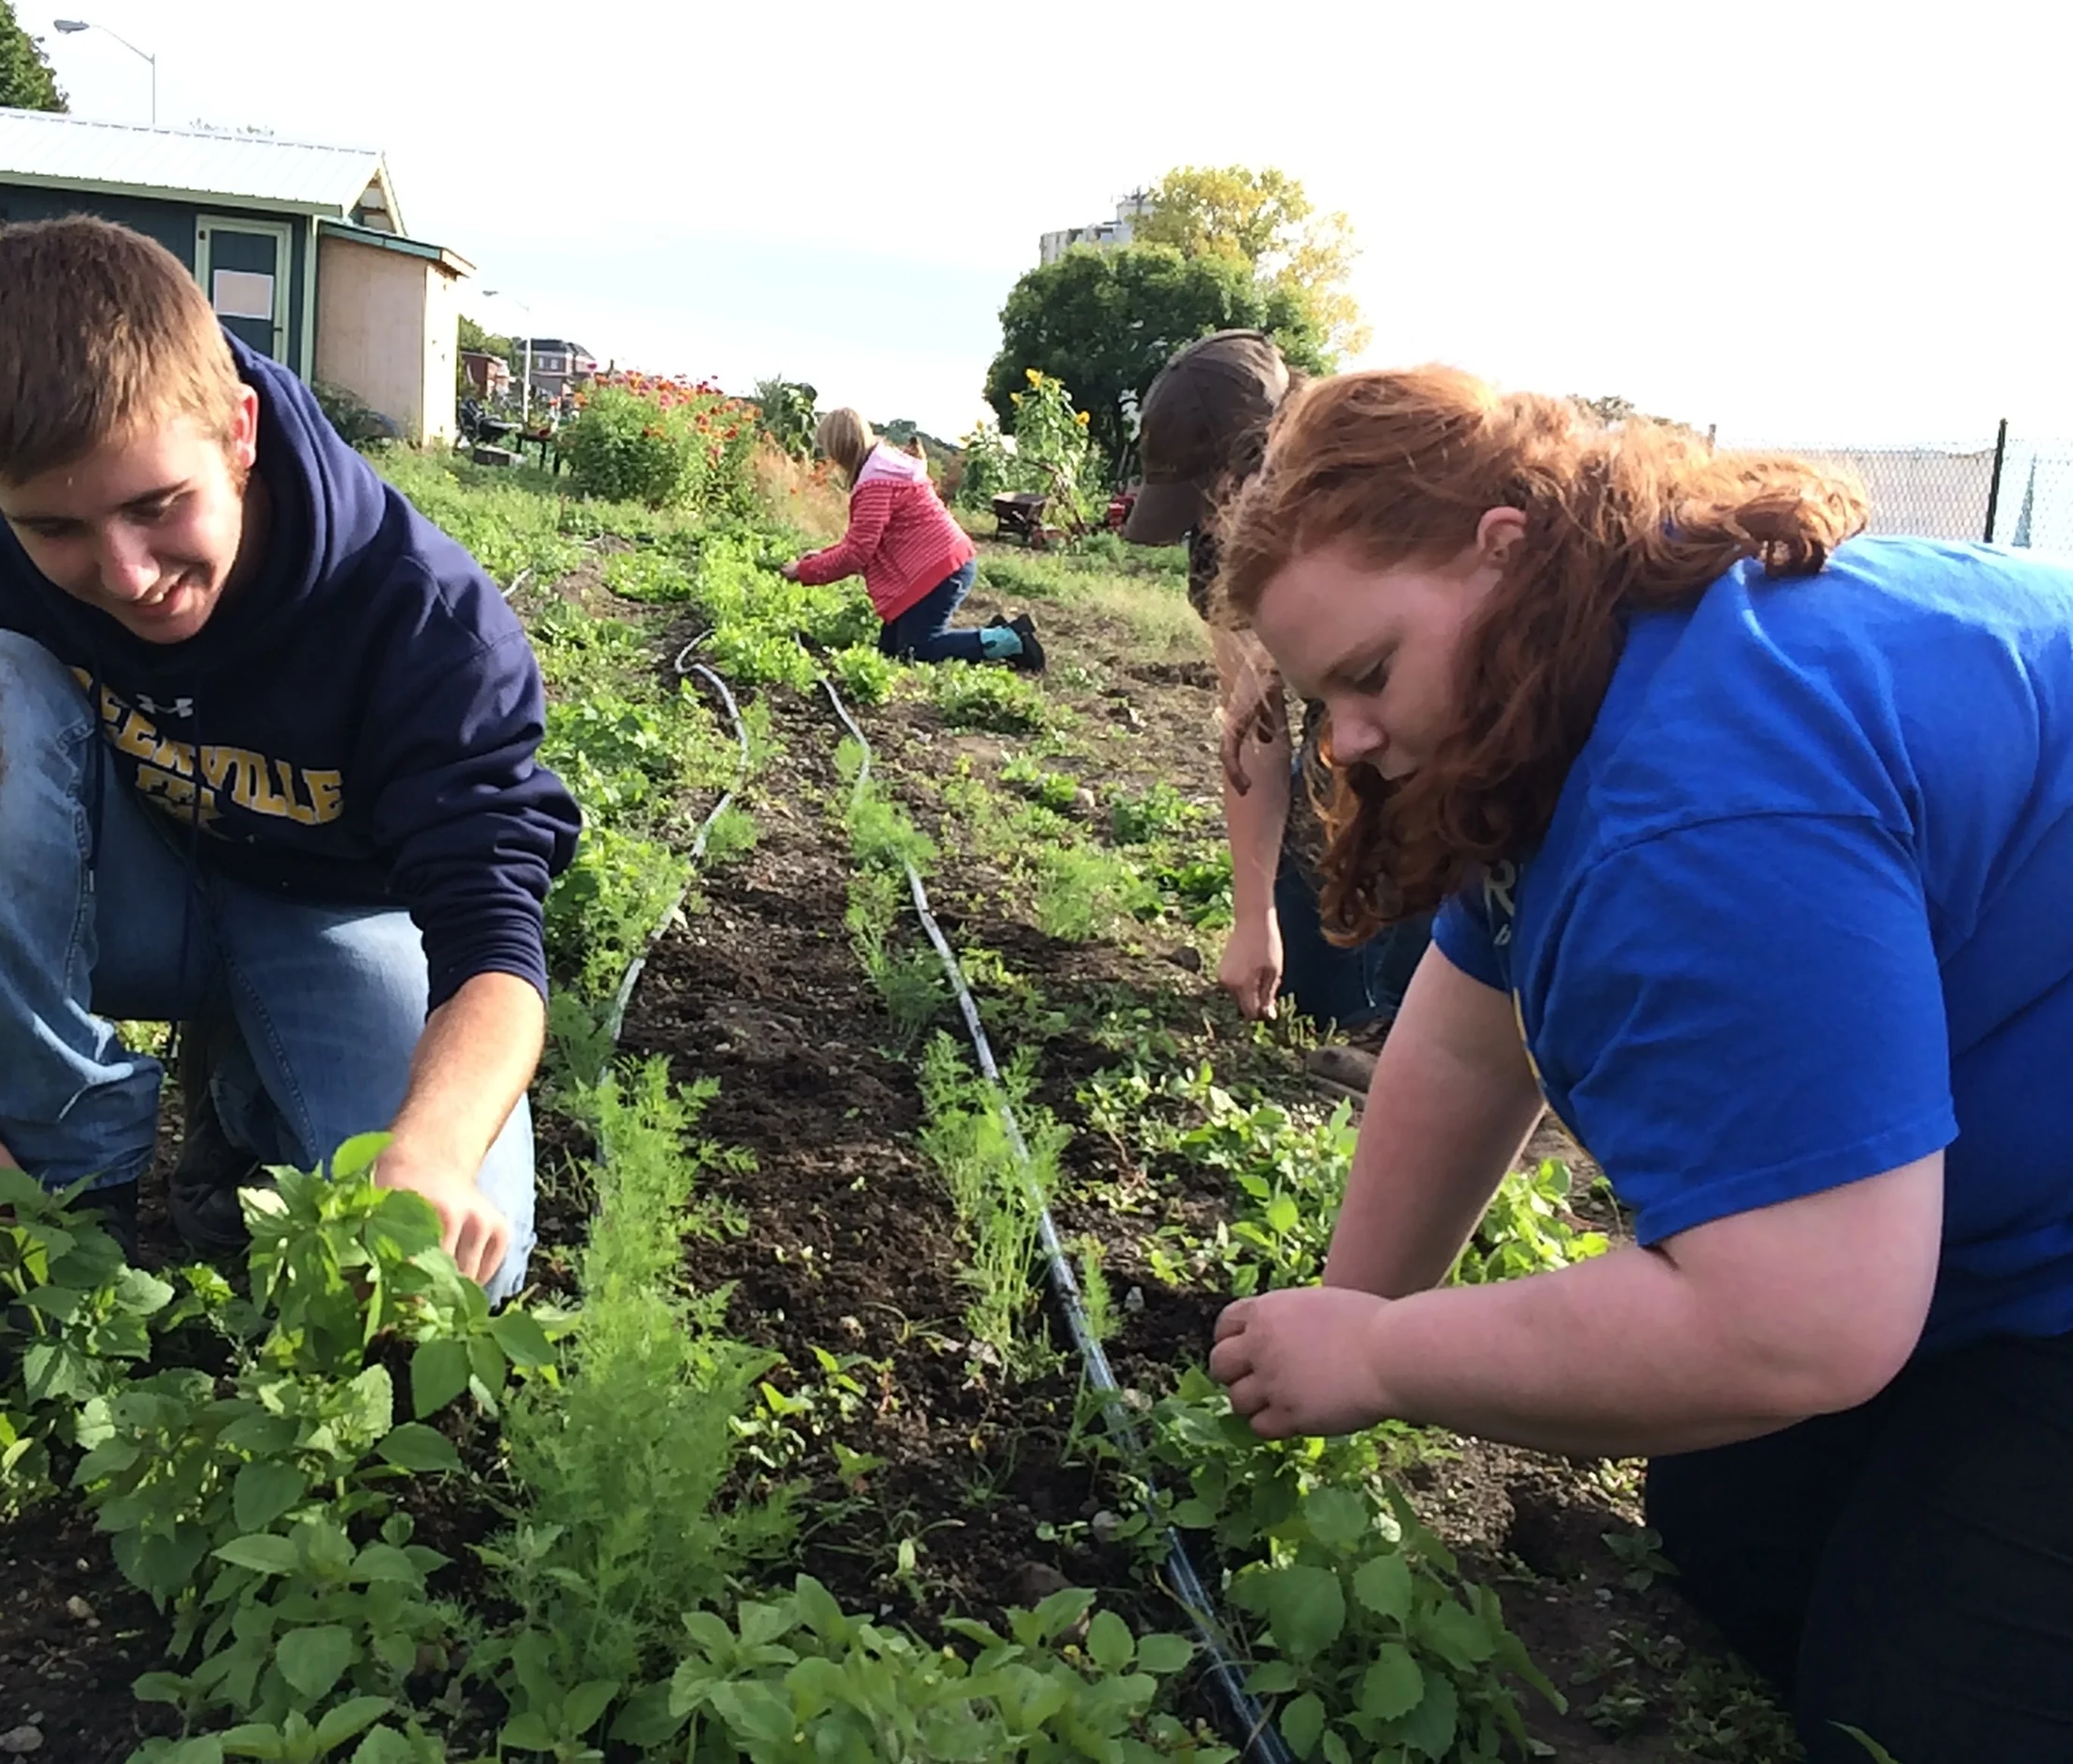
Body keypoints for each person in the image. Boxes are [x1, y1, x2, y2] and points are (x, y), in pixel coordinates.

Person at [1204, 363, 2073, 1763]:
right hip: (1979, 1221)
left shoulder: (1704, 799)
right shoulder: (1567, 687)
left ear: (1505, 546)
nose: (1350, 739)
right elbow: (1467, 1041)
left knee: (1923, 1720)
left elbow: (1807, 1321)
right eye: (1323, 702)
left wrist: (1377, 1356)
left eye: (1368, 673)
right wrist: (1342, 1308)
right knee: (1728, 1528)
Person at [0, 216, 582, 1301]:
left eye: (155, 506)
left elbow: (495, 941)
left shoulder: (421, 620)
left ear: (240, 431)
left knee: (447, 1275)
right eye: (55, 529)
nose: (125, 573)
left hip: (331, 911)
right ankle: (62, 1184)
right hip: (120, 893)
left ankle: (246, 1102)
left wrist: (433, 1148)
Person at [1121, 331, 1427, 1060]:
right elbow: (1256, 729)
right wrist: (1253, 914)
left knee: (1431, 854)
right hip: (1340, 733)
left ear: (1264, 456)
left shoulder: (1375, 483)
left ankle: (1421, 1027)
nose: (1204, 522)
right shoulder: (1216, 552)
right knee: (1308, 991)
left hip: (1447, 727)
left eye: (1211, 497)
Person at [782, 407, 1044, 671]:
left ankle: (1011, 640)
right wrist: (822, 558)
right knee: (890, 651)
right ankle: (990, 636)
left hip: (938, 571)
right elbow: (861, 541)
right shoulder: (883, 469)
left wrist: (804, 571)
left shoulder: (876, 483)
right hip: (939, 564)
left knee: (917, 650)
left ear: (839, 449)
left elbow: (857, 554)